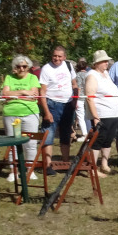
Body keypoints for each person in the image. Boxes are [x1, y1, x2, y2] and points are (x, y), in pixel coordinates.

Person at [1, 55, 43, 180]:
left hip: (30, 112)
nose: (21, 69)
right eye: (18, 66)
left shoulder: (33, 78)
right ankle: (13, 171)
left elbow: (34, 95)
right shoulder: (9, 77)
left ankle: (30, 170)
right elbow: (5, 94)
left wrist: (14, 94)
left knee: (30, 143)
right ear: (15, 67)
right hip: (10, 112)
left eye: (24, 66)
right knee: (12, 142)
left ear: (28, 67)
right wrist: (24, 92)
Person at [39, 46, 78, 174]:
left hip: (67, 105)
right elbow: (42, 92)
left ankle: (66, 163)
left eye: (59, 56)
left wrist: (74, 101)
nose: (57, 58)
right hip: (52, 104)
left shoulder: (68, 66)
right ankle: (48, 165)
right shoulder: (46, 69)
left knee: (66, 134)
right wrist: (46, 112)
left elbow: (74, 84)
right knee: (49, 134)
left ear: (64, 57)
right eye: (55, 56)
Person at [84, 50, 118, 174]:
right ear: (96, 63)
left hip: (113, 113)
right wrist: (95, 117)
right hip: (102, 114)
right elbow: (90, 97)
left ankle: (104, 164)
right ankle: (93, 168)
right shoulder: (92, 75)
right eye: (104, 61)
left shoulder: (105, 73)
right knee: (98, 140)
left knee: (108, 140)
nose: (107, 63)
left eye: (107, 61)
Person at [73, 57, 90, 140]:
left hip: (80, 98)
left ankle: (84, 134)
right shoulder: (89, 74)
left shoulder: (77, 75)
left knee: (80, 116)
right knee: (88, 116)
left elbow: (78, 88)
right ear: (86, 67)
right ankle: (89, 132)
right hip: (88, 97)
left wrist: (76, 100)